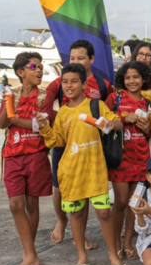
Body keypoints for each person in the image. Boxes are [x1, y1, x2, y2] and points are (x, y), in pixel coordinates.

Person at [36, 64, 129, 265]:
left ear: (84, 84)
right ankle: (81, 256)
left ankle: (113, 255)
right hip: (71, 172)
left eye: (74, 81)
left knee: (104, 213)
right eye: (65, 82)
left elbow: (118, 124)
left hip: (95, 171)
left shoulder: (95, 105)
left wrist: (107, 123)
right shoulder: (62, 114)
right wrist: (44, 127)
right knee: (76, 214)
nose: (69, 85)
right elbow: (56, 141)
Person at [42, 39, 114, 247]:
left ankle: (82, 237)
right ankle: (62, 221)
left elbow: (110, 110)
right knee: (60, 187)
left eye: (81, 58)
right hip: (64, 141)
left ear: (91, 59)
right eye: (72, 58)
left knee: (91, 189)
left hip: (91, 145)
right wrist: (68, 117)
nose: (76, 61)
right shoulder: (59, 82)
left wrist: (107, 121)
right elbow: (47, 109)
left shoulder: (103, 84)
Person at [0, 52, 53, 265]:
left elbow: (40, 125)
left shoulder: (45, 95)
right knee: (15, 204)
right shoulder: (12, 94)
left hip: (37, 155)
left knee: (32, 203)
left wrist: (15, 119)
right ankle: (30, 253)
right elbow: (2, 123)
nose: (39, 70)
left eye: (41, 67)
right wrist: (7, 105)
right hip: (12, 155)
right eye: (33, 67)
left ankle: (29, 254)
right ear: (20, 72)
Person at [106, 61, 151, 260]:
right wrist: (126, 119)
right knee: (119, 202)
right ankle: (116, 243)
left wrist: (145, 128)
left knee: (133, 203)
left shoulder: (147, 102)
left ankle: (128, 241)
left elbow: (150, 132)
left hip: (141, 157)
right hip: (121, 158)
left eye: (136, 77)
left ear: (143, 79)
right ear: (122, 80)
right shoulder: (114, 98)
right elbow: (106, 123)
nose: (132, 81)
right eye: (128, 77)